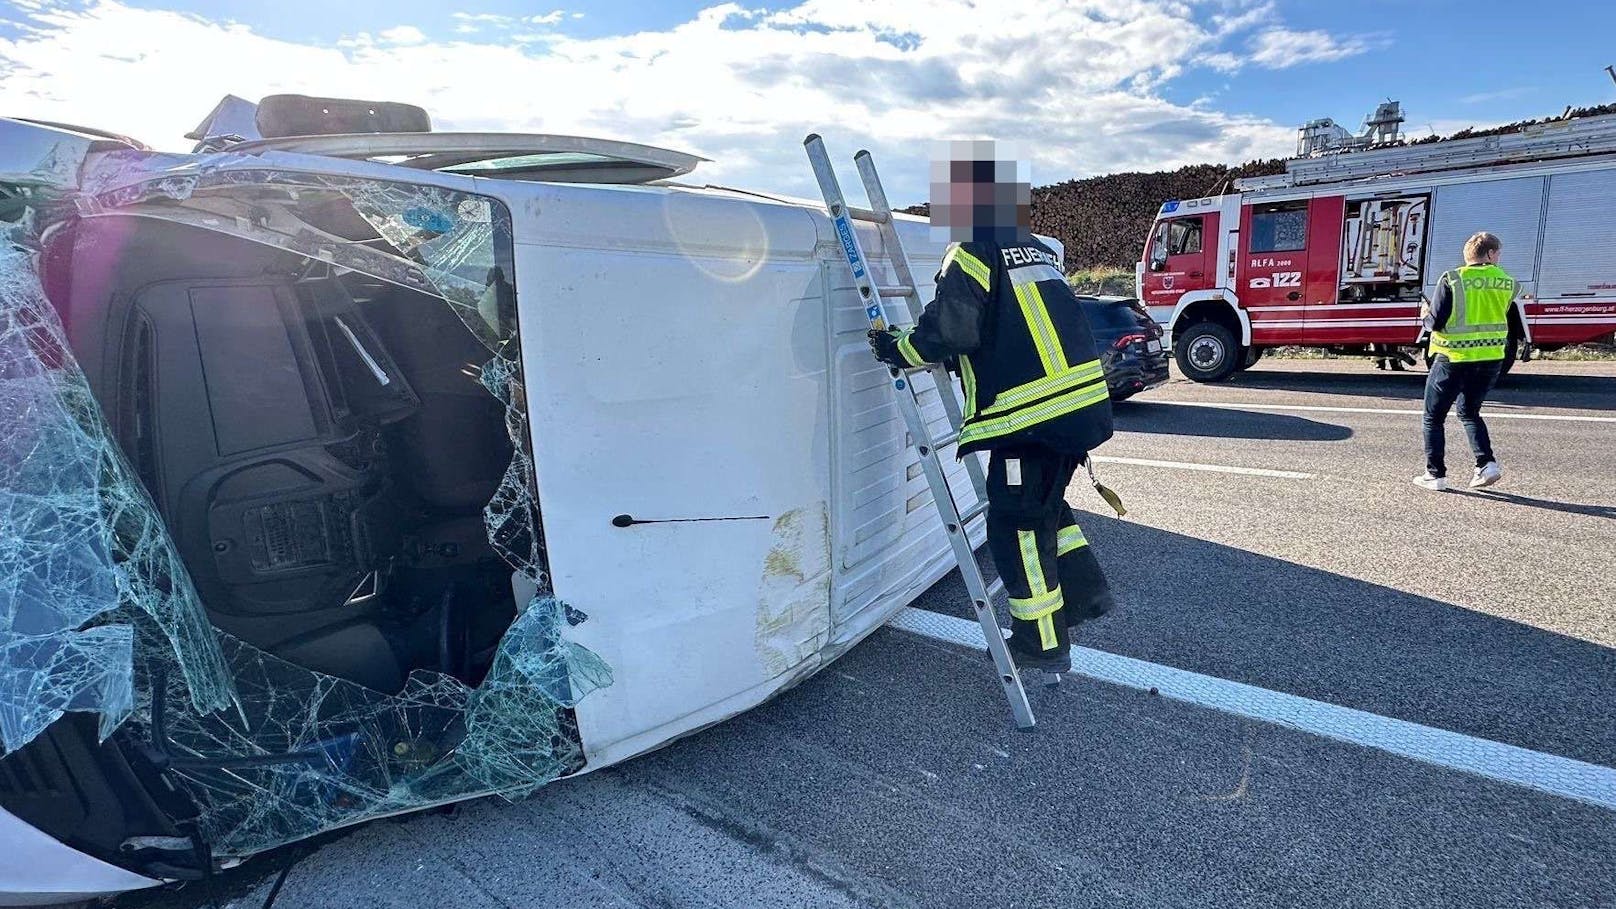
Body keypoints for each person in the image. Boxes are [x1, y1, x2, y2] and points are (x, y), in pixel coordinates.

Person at [867, 142, 1115, 674]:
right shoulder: (1036, 251)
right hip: (1078, 412)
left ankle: (1041, 644)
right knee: (1046, 509)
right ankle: (1087, 590)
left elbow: (951, 331)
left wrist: (897, 348)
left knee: (1015, 527)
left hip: (1031, 421)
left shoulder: (972, 251)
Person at [1413, 231, 1528, 491]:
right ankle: (1486, 464)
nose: (1499, 258)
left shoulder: (1452, 279)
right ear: (1488, 253)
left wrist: (1424, 314)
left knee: (1433, 417)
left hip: (1453, 357)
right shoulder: (1507, 282)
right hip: (1490, 360)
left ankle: (1436, 474)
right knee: (1469, 412)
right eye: (1498, 253)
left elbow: (1435, 322)